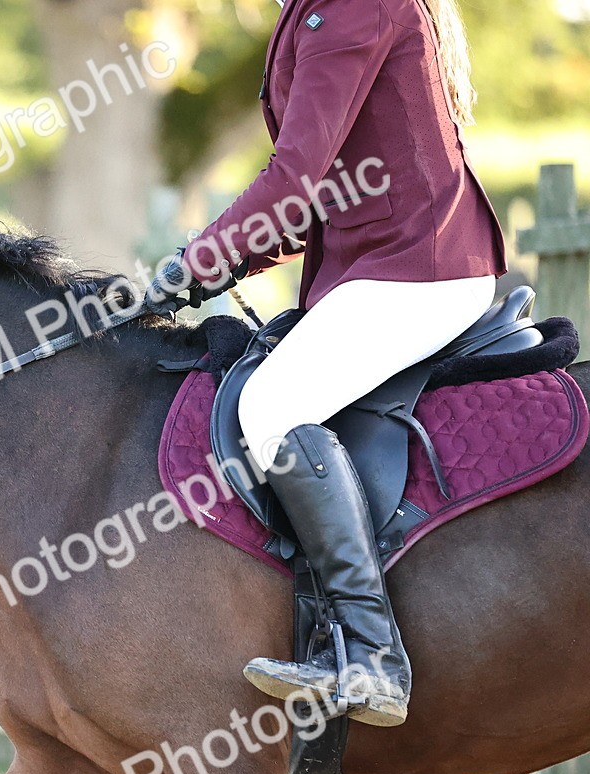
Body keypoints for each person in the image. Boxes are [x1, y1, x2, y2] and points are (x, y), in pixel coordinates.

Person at [147, 0, 506, 727]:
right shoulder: (310, 10)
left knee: (273, 407)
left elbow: (294, 180)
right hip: (381, 264)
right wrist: (215, 266)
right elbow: (315, 200)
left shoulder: (352, 6)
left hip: (420, 269)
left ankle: (373, 656)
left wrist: (200, 258)